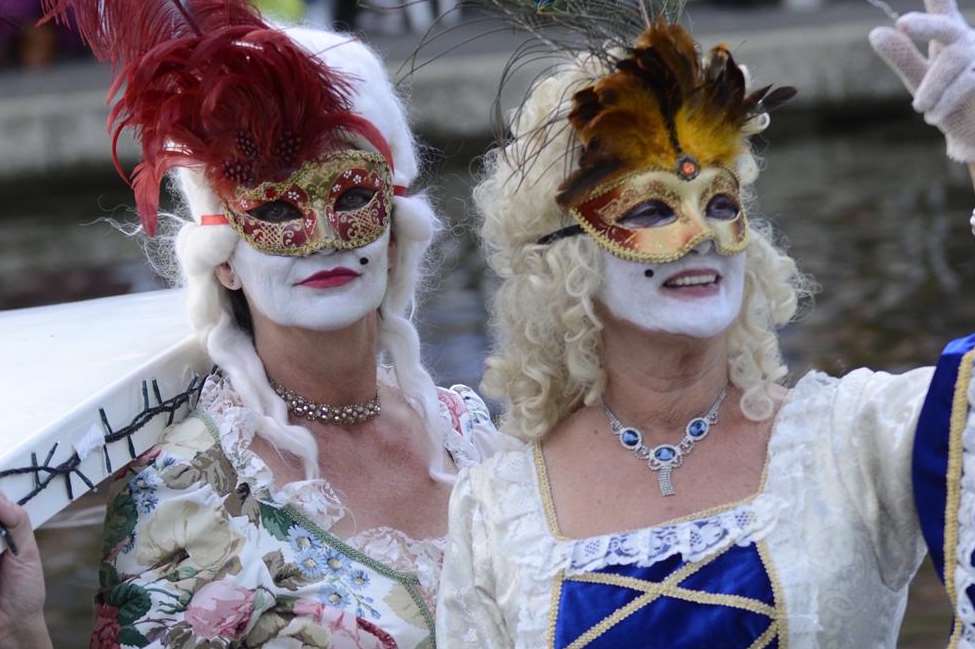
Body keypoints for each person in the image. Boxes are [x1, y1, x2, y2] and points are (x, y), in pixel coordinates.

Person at [435, 1, 975, 647]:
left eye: (720, 203)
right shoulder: (500, 506)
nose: (701, 238)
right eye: (652, 211)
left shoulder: (855, 440)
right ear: (566, 253)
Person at [0, 1, 496, 647]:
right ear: (225, 259)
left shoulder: (467, 434)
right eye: (277, 208)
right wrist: (23, 631)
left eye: (350, 196)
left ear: (395, 236)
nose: (321, 238)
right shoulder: (185, 492)